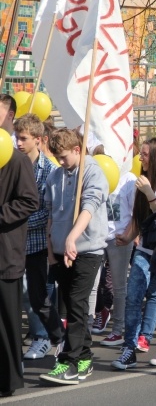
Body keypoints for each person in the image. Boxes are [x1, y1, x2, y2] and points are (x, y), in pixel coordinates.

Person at [40, 128, 109, 385]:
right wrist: (51, 252)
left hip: (86, 250)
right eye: (56, 157)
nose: (60, 162)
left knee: (78, 304)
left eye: (64, 157)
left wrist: (72, 238)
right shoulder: (56, 175)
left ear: (78, 150)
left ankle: (68, 361)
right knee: (70, 304)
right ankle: (85, 356)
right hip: (59, 252)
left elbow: (90, 205)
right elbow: (50, 214)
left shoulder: (92, 171)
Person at [111, 138, 156, 370]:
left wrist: (149, 192)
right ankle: (129, 348)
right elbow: (138, 217)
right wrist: (127, 236)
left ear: (155, 157)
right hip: (144, 249)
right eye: (141, 153)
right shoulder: (140, 181)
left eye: (145, 154)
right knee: (133, 297)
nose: (141, 158)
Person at [14, 115, 63, 360]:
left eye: (24, 139)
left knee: (38, 297)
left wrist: (17, 221)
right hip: (12, 244)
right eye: (17, 138)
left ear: (38, 140)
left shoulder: (51, 172)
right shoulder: (12, 165)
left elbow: (47, 213)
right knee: (16, 296)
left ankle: (54, 338)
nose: (19, 143)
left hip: (38, 245)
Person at [0, 139, 39, 397]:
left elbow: (29, 201)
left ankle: (8, 379)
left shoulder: (17, 160)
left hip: (5, 254)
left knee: (7, 321)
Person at [99, 166, 137, 347]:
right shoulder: (95, 170)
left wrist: (129, 234)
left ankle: (117, 330)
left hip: (119, 239)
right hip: (96, 238)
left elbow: (135, 212)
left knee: (119, 286)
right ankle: (88, 324)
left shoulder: (129, 178)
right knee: (91, 286)